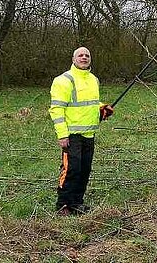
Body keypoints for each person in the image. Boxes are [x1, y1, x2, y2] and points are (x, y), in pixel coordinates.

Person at [49, 46, 114, 216]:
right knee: (71, 169)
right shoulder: (63, 80)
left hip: (89, 134)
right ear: (73, 59)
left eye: (87, 55)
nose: (84, 57)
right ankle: (63, 205)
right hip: (71, 135)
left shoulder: (94, 80)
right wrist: (62, 134)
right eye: (80, 55)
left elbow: (91, 103)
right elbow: (56, 109)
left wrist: (102, 108)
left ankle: (77, 203)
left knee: (85, 169)